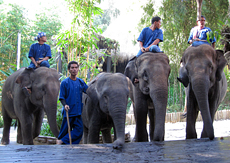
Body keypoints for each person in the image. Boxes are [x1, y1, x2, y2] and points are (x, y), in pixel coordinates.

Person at [56, 61, 88, 145]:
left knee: (79, 131)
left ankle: (62, 141)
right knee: (64, 131)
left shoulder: (81, 82)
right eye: (72, 68)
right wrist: (65, 105)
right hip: (69, 112)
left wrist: (94, 82)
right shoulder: (64, 83)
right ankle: (61, 144)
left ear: (78, 69)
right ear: (69, 70)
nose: (74, 69)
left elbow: (88, 90)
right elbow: (61, 97)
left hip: (77, 111)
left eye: (76, 68)